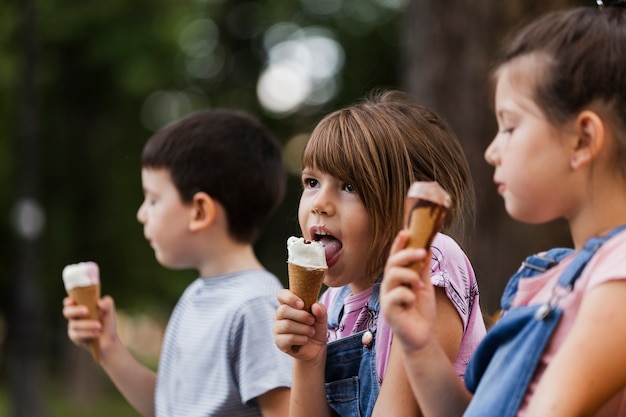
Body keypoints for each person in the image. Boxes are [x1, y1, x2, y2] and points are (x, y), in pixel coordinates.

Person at [380, 3, 626, 417]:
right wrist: (420, 346)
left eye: (510, 126)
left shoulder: (617, 275)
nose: (492, 151)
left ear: (583, 139)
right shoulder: (546, 278)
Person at [62, 110, 292, 417]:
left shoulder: (254, 306)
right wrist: (108, 347)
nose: (141, 214)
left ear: (199, 211)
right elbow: (169, 407)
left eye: (153, 199)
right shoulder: (197, 295)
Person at [272, 89, 487, 417]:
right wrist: (308, 360)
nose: (318, 204)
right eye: (312, 182)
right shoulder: (333, 302)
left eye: (349, 187)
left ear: (408, 206)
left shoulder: (428, 264)